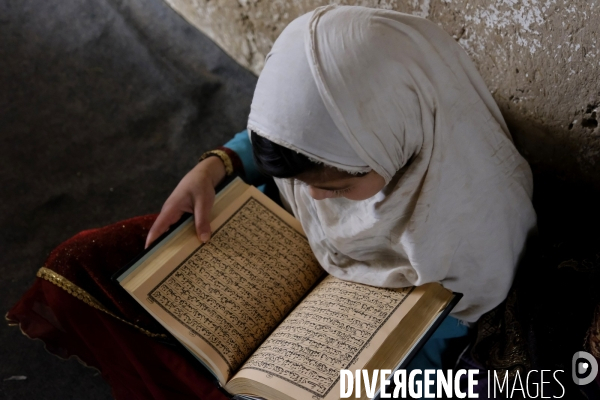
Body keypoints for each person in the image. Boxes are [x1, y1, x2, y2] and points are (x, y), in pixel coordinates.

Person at [8, 5, 536, 399]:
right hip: (273, 248)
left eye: (335, 188)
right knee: (86, 263)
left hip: (371, 346)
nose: (312, 198)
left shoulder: (473, 227)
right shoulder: (343, 124)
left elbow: (438, 351)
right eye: (305, 179)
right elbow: (281, 140)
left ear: (402, 145)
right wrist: (214, 167)